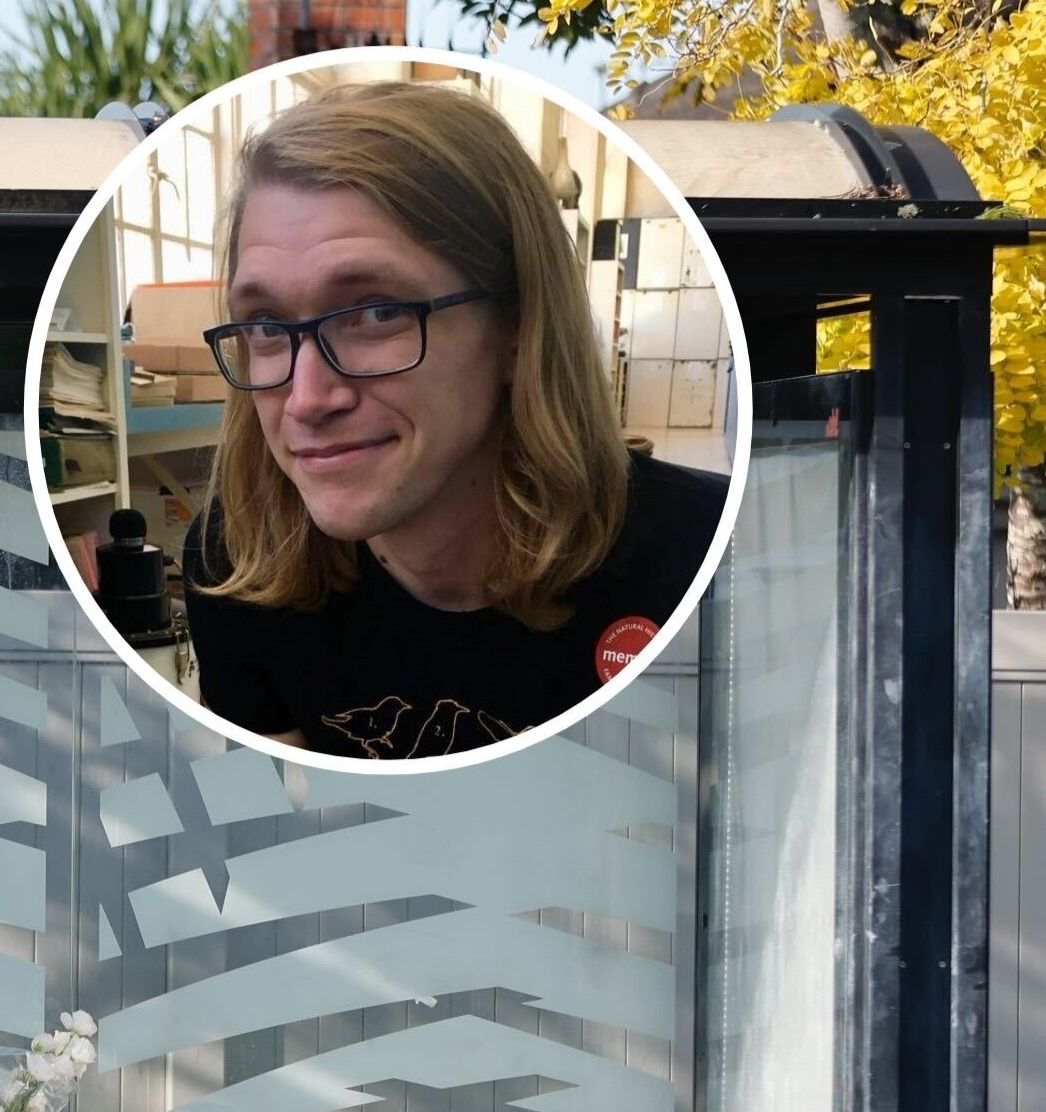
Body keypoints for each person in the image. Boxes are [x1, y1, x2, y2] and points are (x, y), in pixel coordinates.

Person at [176, 80, 728, 762]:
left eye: (376, 313)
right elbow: (277, 841)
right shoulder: (237, 560)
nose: (307, 398)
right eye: (264, 325)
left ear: (519, 328)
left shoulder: (705, 561)